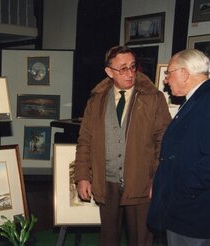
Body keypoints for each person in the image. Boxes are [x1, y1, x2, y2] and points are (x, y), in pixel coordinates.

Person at [74, 45, 171, 246]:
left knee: (141, 239)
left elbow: (164, 141)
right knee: (108, 238)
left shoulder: (153, 98)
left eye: (133, 67)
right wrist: (82, 176)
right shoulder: (96, 100)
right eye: (123, 68)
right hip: (106, 181)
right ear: (109, 72)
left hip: (140, 182)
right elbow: (85, 140)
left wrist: (157, 179)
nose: (130, 74)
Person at [147, 49, 210, 245]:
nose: (166, 80)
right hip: (185, 206)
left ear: (185, 73)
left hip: (193, 209)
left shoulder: (206, 102)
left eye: (169, 73)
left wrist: (180, 187)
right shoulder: (196, 99)